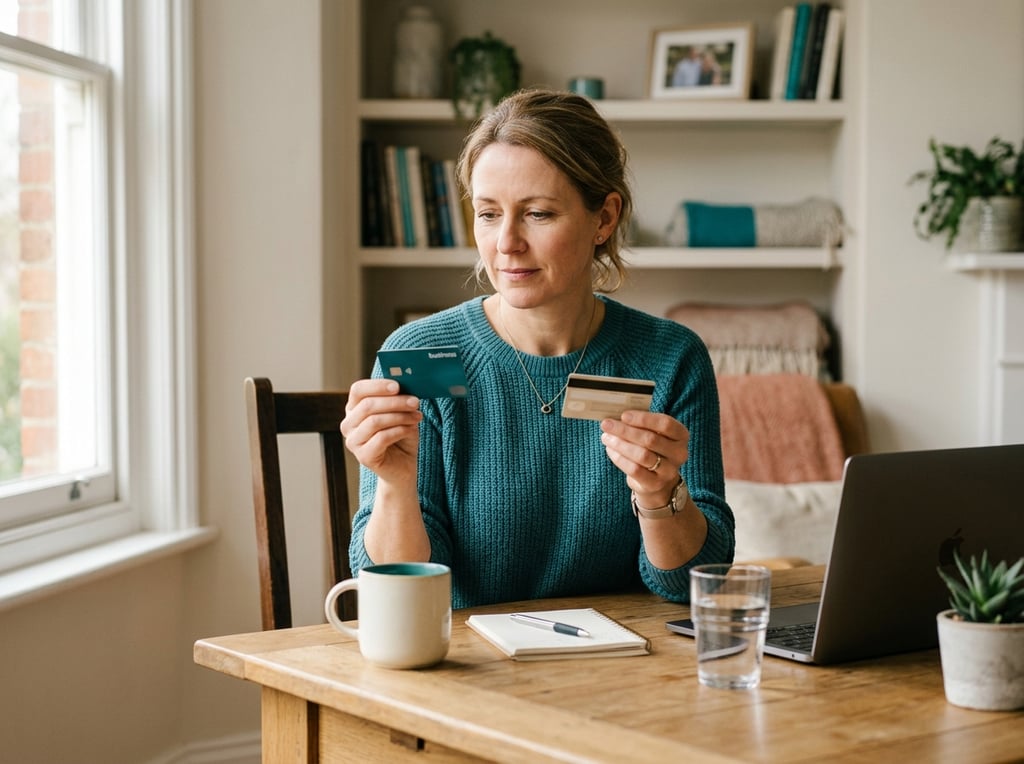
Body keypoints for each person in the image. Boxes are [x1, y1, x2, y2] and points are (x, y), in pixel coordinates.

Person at [341, 89, 733, 609]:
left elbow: (694, 581)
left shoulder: (669, 358)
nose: (506, 242)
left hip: (627, 670)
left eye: (538, 214)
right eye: (487, 214)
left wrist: (659, 495)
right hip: (468, 672)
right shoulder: (423, 353)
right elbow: (392, 589)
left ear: (604, 218)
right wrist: (393, 484)